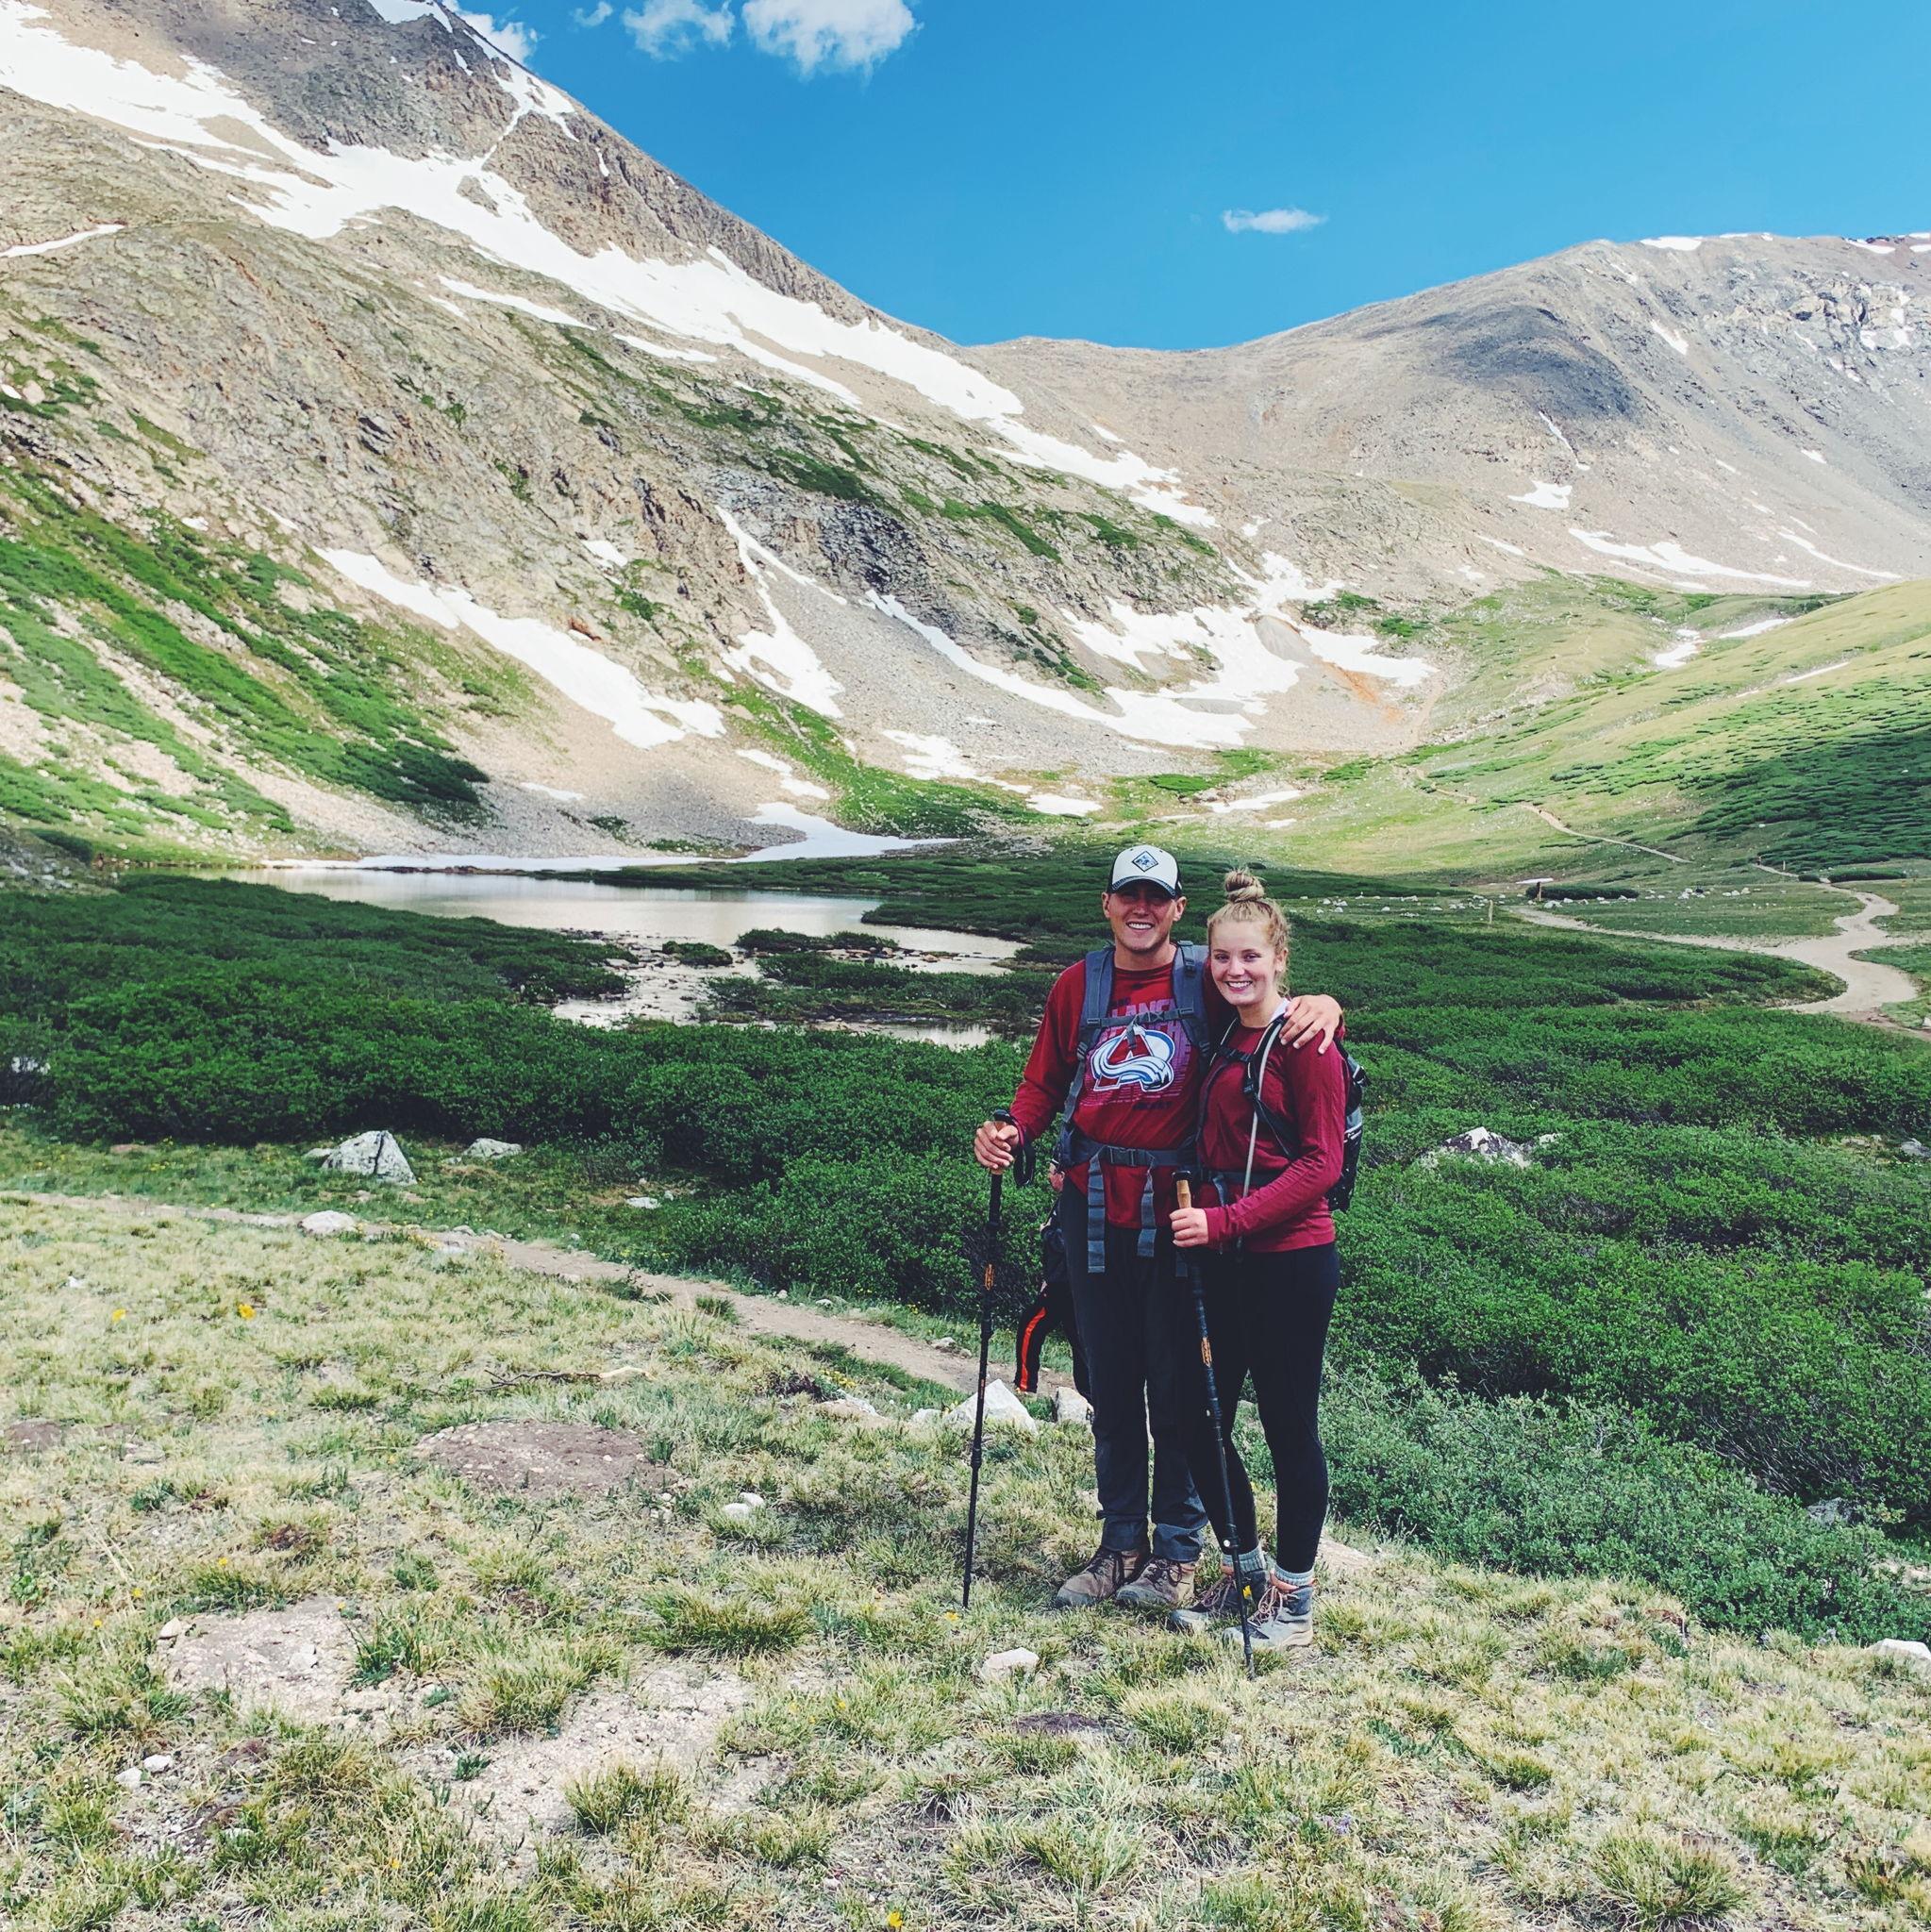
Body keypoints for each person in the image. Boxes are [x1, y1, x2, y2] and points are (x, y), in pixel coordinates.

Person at [974, 846, 1340, 1613]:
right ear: (1106, 903)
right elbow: (1043, 1082)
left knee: (1180, 1389)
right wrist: (1012, 1128)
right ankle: (1119, 1545)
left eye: (1156, 898)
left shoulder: (1206, 975)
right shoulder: (1079, 984)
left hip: (1181, 1218)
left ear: (1176, 908)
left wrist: (1324, 1004)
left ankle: (1176, 1554)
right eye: (1127, 896)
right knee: (1111, 1384)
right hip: (1092, 1209)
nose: (1140, 909)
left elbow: (1267, 1006)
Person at [1169, 870, 1346, 1651]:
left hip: (1288, 1263)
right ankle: (1244, 1576)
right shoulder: (1227, 1030)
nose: (1234, 971)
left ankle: (1295, 1604)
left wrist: (1225, 1221)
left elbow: (1321, 1166)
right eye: (1221, 960)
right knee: (1192, 1416)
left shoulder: (1308, 1043)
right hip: (1226, 1258)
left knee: (1286, 1427)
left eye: (1250, 958)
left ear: (1279, 960)